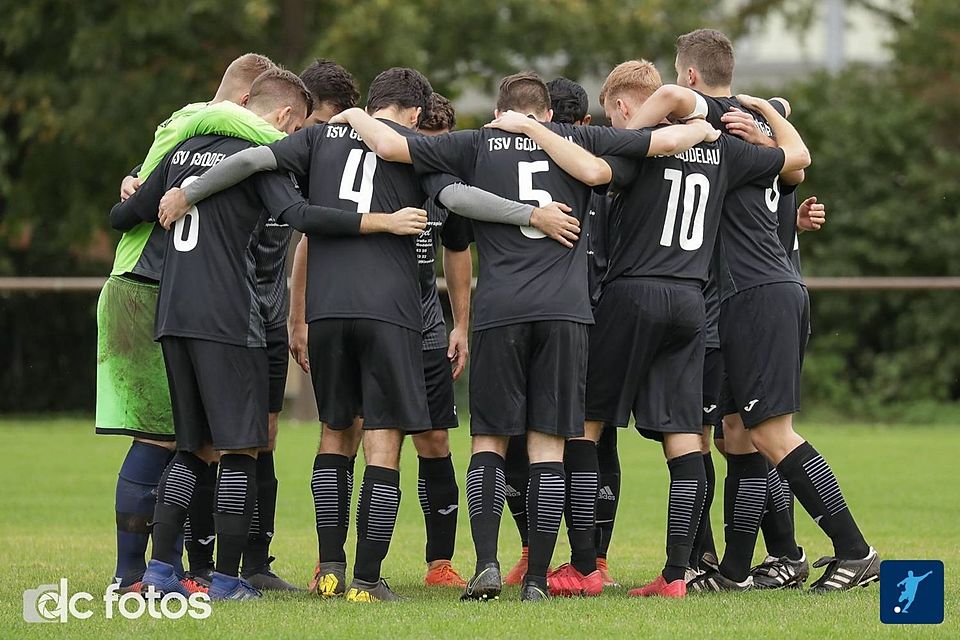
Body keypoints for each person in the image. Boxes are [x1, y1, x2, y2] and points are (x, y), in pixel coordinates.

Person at [157, 67, 581, 602]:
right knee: (384, 441)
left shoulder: (316, 135)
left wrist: (188, 191)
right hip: (391, 311)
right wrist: (531, 214)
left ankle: (329, 567)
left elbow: (248, 161)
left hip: (329, 311)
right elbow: (459, 200)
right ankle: (365, 578)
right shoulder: (412, 147)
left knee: (335, 433)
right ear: (411, 113)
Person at [329, 71, 718, 600]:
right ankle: (537, 579)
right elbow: (664, 140)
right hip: (566, 311)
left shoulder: (475, 144)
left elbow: (391, 145)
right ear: (549, 114)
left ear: (499, 111)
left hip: (500, 309)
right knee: (549, 445)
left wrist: (351, 114)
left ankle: (487, 564)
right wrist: (705, 129)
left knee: (489, 440)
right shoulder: (579, 140)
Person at [486, 58, 810, 599]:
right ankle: (676, 575)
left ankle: (586, 567)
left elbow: (593, 172)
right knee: (686, 439)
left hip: (632, 293)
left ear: (621, 107)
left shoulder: (639, 150)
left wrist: (530, 128)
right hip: (691, 302)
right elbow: (795, 163)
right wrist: (763, 115)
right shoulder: (721, 151)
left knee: (586, 426)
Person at [632, 28, 878, 592]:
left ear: (689, 76)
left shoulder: (724, 137)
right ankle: (739, 571)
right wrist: (769, 112)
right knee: (742, 433)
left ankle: (855, 549)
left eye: (677, 72)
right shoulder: (758, 139)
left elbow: (799, 158)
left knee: (771, 435)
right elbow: (796, 164)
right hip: (773, 287)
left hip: (755, 295)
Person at [109, 69, 319, 600]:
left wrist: (134, 183)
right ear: (287, 117)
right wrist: (376, 224)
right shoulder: (259, 159)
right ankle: (226, 580)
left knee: (189, 448)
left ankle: (157, 573)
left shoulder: (185, 146)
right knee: (240, 450)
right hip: (230, 319)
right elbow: (295, 214)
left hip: (172, 316)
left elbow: (124, 214)